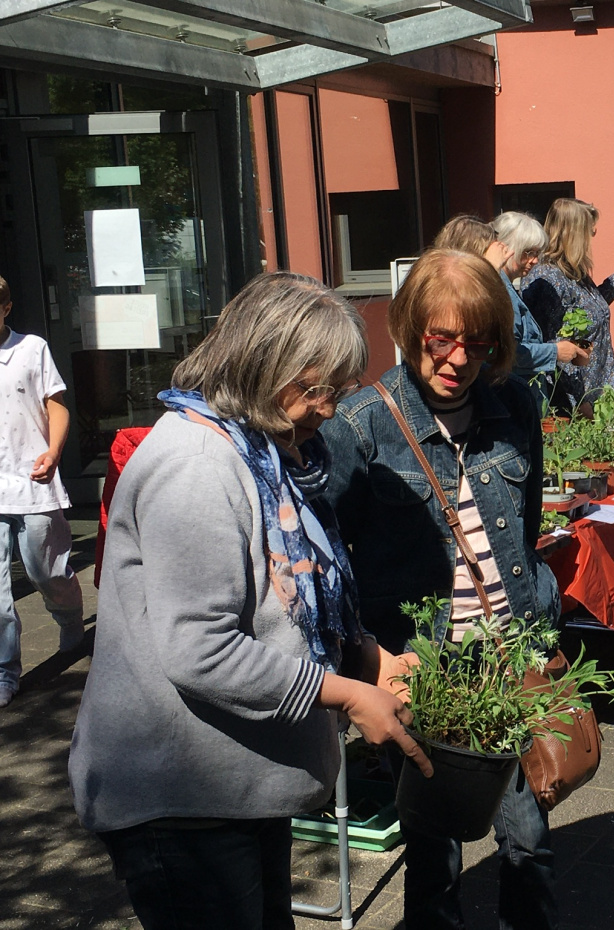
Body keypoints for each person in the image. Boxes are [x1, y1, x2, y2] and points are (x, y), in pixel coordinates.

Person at [68, 272, 432, 929]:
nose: (332, 408)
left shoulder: (264, 452)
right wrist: (347, 694)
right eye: (322, 388)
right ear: (268, 367)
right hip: (182, 799)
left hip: (233, 787)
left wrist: (366, 657)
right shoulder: (197, 467)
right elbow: (200, 650)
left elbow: (284, 600)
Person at [321, 249, 562, 930]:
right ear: (408, 328)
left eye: (478, 342)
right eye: (441, 339)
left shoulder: (513, 405)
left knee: (528, 843)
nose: (459, 358)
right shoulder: (360, 427)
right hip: (421, 672)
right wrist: (365, 663)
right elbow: (329, 559)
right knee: (434, 853)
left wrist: (538, 627)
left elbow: (529, 523)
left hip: (505, 663)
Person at [0, 274, 84, 710]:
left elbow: (57, 405)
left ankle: (68, 617)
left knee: (45, 570)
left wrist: (53, 452)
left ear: (6, 309)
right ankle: (4, 672)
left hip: (33, 483)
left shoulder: (30, 349)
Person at [522, 198, 614, 408]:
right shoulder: (548, 279)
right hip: (576, 403)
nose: (594, 234)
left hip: (598, 394)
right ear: (573, 234)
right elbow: (554, 344)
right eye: (589, 230)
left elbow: (586, 314)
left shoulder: (572, 272)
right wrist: (580, 403)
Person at [491, 211, 589, 394]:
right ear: (507, 248)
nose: (535, 260)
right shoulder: (499, 292)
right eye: (528, 253)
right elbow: (507, 354)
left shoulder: (508, 287)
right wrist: (555, 352)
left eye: (537, 254)